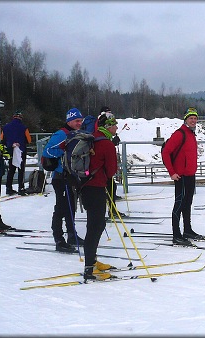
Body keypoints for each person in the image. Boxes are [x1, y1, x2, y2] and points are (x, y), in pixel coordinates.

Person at [80, 115, 119, 281]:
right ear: (108, 127)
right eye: (115, 125)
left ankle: (93, 261)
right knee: (95, 227)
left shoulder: (92, 138)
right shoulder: (107, 144)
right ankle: (89, 268)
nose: (116, 128)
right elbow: (111, 172)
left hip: (85, 187)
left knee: (95, 224)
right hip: (96, 188)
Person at [43, 108, 85, 252]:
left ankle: (72, 235)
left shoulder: (76, 133)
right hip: (60, 177)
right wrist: (65, 150)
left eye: (81, 121)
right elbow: (47, 151)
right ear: (69, 121)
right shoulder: (62, 134)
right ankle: (59, 239)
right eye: (76, 121)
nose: (79, 123)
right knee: (61, 208)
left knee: (71, 207)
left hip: (71, 176)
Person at [162, 108, 203, 246]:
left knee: (188, 203)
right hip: (181, 176)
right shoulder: (180, 134)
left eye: (195, 118)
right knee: (179, 204)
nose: (193, 120)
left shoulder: (191, 134)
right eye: (191, 118)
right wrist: (172, 172)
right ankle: (176, 234)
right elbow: (166, 153)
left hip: (190, 175)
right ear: (185, 119)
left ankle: (187, 230)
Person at [97, 107, 125, 218]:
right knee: (109, 188)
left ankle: (111, 210)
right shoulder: (103, 137)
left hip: (99, 173)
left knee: (112, 187)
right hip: (100, 174)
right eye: (114, 125)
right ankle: (109, 212)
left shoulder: (102, 135)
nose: (117, 127)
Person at [1, 110, 32, 196]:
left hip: (11, 150)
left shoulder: (6, 127)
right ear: (21, 118)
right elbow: (29, 140)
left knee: (11, 169)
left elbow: (2, 138)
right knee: (21, 169)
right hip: (21, 149)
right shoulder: (24, 127)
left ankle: (9, 187)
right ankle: (21, 188)